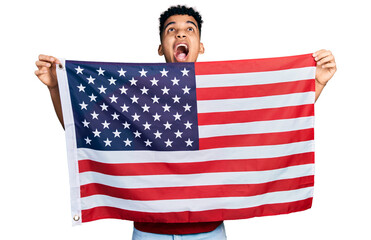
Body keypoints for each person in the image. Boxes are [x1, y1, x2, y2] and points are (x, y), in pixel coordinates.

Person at [34, 5, 337, 240]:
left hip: (209, 232)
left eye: (189, 29)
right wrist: (54, 87)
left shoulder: (225, 92)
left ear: (200, 45)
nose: (180, 34)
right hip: (148, 231)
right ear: (160, 46)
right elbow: (85, 131)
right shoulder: (134, 93)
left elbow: (276, 121)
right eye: (171, 30)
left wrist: (317, 83)